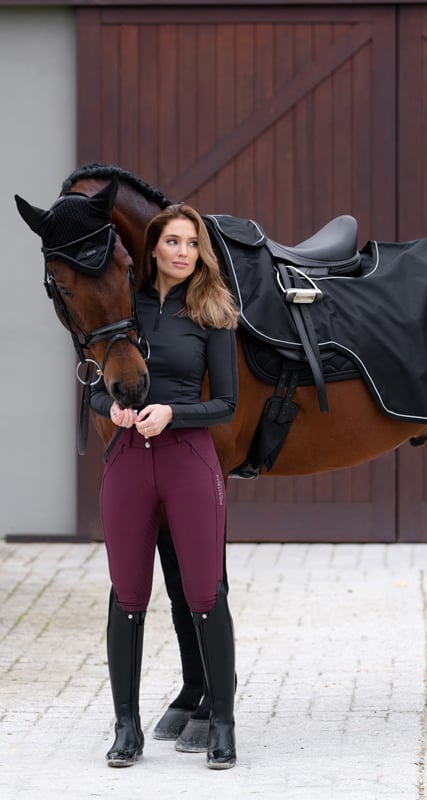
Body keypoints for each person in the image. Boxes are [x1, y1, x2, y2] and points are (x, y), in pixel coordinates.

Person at [91, 203, 239, 770]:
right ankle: (126, 727)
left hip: (188, 461)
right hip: (127, 461)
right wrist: (116, 410)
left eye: (191, 243)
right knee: (127, 597)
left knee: (205, 593)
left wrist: (172, 415)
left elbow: (225, 404)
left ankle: (222, 723)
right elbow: (93, 393)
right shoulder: (121, 308)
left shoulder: (213, 311)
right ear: (152, 247)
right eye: (172, 241)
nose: (182, 252)